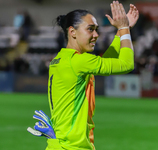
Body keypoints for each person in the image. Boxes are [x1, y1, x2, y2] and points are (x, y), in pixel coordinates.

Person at [47, 1, 139, 150]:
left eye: (96, 29)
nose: (96, 35)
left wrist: (123, 31)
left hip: (60, 144)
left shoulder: (62, 58)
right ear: (72, 32)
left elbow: (104, 62)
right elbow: (127, 64)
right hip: (73, 146)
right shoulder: (79, 61)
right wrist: (123, 28)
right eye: (90, 29)